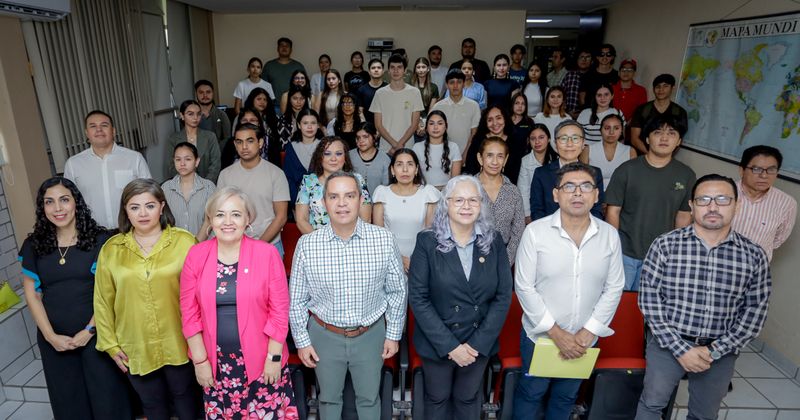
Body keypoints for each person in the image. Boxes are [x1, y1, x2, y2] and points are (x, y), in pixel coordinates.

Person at [635, 174, 771, 420]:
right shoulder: (665, 245)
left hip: (721, 350)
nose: (712, 207)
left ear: (736, 205)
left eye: (722, 199)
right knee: (651, 405)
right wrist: (680, 349)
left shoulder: (753, 255)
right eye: (704, 200)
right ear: (692, 205)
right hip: (667, 344)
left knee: (704, 415)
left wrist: (714, 351)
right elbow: (650, 301)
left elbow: (755, 311)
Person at [289, 171, 407, 420]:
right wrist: (302, 340)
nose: (342, 203)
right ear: (323, 203)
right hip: (324, 335)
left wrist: (393, 334)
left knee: (369, 400)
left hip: (370, 334)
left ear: (361, 200)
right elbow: (297, 299)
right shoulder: (308, 245)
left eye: (349, 196)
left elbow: (397, 290)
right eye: (334, 196)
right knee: (329, 401)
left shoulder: (383, 239)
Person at [513, 162, 624, 420]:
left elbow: (614, 286)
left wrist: (589, 331)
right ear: (556, 194)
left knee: (565, 398)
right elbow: (524, 286)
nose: (577, 193)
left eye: (585, 187)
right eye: (569, 187)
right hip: (539, 338)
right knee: (531, 394)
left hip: (583, 340)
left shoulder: (609, 235)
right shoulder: (535, 233)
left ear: (596, 195)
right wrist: (556, 333)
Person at [180, 186, 299, 419]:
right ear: (210, 220)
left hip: (263, 361)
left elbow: (279, 310)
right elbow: (189, 313)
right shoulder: (196, 255)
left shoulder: (266, 254)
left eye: (236, 214)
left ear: (248, 219)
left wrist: (274, 358)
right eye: (220, 214)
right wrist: (200, 361)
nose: (228, 221)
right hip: (217, 365)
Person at [20, 177, 133, 420]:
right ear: (42, 208)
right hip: (55, 341)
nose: (58, 208)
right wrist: (50, 337)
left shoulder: (101, 240)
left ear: (76, 203)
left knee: (109, 400)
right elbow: (32, 294)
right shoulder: (34, 245)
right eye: (49, 202)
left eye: (64, 200)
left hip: (98, 336)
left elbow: (110, 291)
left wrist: (90, 330)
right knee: (69, 403)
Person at [408, 175, 512, 418]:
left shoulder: (494, 241)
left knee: (467, 400)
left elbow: (503, 296)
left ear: (481, 205)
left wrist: (475, 345)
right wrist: (450, 346)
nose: (466, 206)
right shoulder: (427, 241)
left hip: (478, 343)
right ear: (446, 204)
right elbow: (419, 297)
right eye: (459, 200)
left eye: (473, 200)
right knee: (437, 399)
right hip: (438, 341)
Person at [93, 179, 198, 420]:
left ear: (162, 207)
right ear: (125, 211)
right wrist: (110, 344)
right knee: (152, 405)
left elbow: (201, 294)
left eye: (149, 206)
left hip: (180, 339)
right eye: (134, 207)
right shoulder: (112, 249)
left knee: (186, 400)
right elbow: (102, 300)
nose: (142, 213)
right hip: (135, 344)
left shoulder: (185, 242)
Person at [605, 114, 695, 291]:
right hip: (624, 253)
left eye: (671, 133)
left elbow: (683, 217)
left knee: (644, 310)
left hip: (659, 257)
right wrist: (613, 250)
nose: (664, 137)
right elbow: (612, 212)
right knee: (617, 305)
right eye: (657, 132)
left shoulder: (687, 175)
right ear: (647, 138)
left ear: (679, 141)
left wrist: (674, 254)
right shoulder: (627, 170)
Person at [64, 110, 151, 229]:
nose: (99, 129)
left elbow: (149, 194)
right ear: (87, 133)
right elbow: (68, 201)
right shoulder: (73, 164)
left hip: (130, 229)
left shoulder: (134, 158)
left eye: (104, 125)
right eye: (93, 126)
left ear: (113, 131)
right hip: (92, 233)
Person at [218, 123, 289, 253]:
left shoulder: (276, 173)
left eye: (250, 141)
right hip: (235, 246)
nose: (244, 147)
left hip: (270, 245)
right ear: (235, 145)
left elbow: (281, 217)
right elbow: (220, 214)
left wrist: (257, 246)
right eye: (239, 142)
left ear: (260, 143)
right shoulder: (225, 175)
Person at [373, 149, 441, 270]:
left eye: (410, 164)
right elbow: (379, 237)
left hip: (422, 257)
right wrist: (399, 258)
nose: (405, 170)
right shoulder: (382, 193)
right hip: (389, 258)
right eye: (399, 165)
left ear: (416, 169)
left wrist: (416, 259)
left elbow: (430, 234)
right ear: (392, 170)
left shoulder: (427, 193)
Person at [732, 145, 797, 262]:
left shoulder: (787, 203)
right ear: (741, 170)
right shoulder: (723, 192)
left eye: (771, 170)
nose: (764, 175)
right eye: (756, 169)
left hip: (753, 271)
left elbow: (777, 240)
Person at [530, 121, 604, 221]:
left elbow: (596, 210)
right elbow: (537, 211)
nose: (569, 144)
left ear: (583, 144)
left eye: (575, 138)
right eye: (563, 139)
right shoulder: (541, 173)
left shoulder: (595, 173)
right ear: (556, 144)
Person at [295, 136, 372, 233]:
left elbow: (366, 219)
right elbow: (301, 220)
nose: (333, 158)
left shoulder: (357, 180)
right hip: (318, 244)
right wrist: (320, 243)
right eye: (327, 154)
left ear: (345, 157)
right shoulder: (308, 181)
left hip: (353, 243)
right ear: (319, 157)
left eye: (339, 154)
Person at [475, 137, 525, 265]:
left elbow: (518, 230)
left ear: (506, 160)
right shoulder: (468, 188)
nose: (495, 162)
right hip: (471, 256)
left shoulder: (513, 191)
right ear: (480, 158)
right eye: (489, 155)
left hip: (505, 256)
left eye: (500, 156)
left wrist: (505, 261)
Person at [370, 53, 424, 154]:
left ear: (405, 70)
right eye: (392, 67)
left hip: (408, 148)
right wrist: (395, 145)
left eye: (399, 67)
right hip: (386, 149)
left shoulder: (414, 92)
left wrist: (400, 145)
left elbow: (414, 124)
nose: (396, 71)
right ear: (388, 71)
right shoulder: (380, 93)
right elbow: (378, 125)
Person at [162, 142, 216, 239]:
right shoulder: (166, 188)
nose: (182, 163)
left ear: (197, 161)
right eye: (178, 159)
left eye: (188, 159)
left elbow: (213, 220)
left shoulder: (209, 187)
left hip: (204, 247)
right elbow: (163, 222)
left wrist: (196, 246)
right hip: (174, 248)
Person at [163, 99, 221, 183]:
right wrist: (186, 183)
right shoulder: (173, 139)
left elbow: (215, 164)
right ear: (182, 115)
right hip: (182, 185)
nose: (195, 118)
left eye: (198, 114)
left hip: (207, 185)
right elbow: (171, 166)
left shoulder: (210, 136)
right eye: (190, 114)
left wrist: (206, 184)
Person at [629, 74, 689, 155]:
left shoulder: (679, 112)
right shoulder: (642, 110)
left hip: (666, 158)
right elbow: (634, 138)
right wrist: (652, 155)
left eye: (665, 86)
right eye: (658, 86)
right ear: (653, 89)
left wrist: (665, 156)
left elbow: (679, 139)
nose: (661, 89)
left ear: (672, 87)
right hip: (642, 156)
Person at [463, 106, 521, 184]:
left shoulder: (515, 141)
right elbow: (470, 167)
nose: (495, 123)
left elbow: (516, 171)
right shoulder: (478, 140)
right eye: (490, 120)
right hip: (479, 185)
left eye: (498, 118)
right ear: (485, 123)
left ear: (505, 119)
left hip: (507, 186)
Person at [431, 69, 481, 158]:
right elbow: (432, 133)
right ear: (446, 85)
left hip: (467, 155)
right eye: (451, 82)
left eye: (459, 82)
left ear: (464, 84)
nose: (455, 86)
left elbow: (474, 134)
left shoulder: (474, 106)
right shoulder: (438, 107)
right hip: (442, 156)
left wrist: (465, 155)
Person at [518, 124, 558, 224]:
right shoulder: (525, 161)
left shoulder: (557, 159)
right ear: (529, 141)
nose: (537, 142)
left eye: (541, 137)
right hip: (533, 207)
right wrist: (527, 214)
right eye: (533, 138)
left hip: (555, 206)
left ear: (548, 139)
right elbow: (523, 189)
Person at [413, 110, 463, 189]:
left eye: (440, 123)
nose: (435, 127)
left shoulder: (453, 147)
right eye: (431, 123)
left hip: (447, 193)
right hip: (423, 192)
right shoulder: (417, 147)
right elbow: (414, 177)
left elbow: (455, 180)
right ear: (426, 127)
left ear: (446, 126)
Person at [284, 108, 323, 204]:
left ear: (318, 125)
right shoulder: (291, 147)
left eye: (313, 123)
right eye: (305, 123)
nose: (309, 127)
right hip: (296, 199)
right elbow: (288, 178)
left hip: (322, 200)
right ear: (299, 125)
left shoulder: (325, 146)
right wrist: (296, 202)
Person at [586, 114, 635, 190]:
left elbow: (632, 181)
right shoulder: (588, 150)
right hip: (594, 195)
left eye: (616, 128)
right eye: (607, 128)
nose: (611, 132)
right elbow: (582, 179)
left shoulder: (630, 151)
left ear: (621, 130)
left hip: (621, 196)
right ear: (600, 130)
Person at [349, 122, 390, 196]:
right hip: (353, 203)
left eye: (365, 137)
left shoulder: (384, 159)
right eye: (358, 137)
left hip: (377, 203)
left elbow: (387, 187)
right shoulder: (349, 156)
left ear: (374, 137)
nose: (361, 141)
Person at [263, 37, 307, 106]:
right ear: (277, 49)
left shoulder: (298, 66)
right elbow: (263, 87)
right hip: (273, 106)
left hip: (294, 106)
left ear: (291, 50)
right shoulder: (269, 66)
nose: (284, 47)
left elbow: (305, 86)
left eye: (287, 46)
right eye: (282, 45)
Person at [579, 44, 619, 109]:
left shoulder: (617, 75)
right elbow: (582, 96)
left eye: (608, 54)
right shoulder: (588, 74)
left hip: (609, 111)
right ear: (597, 57)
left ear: (612, 57)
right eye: (601, 54)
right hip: (589, 111)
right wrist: (585, 110)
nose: (605, 57)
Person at [195, 79, 231, 146]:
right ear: (196, 94)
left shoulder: (221, 115)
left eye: (208, 92)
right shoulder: (191, 115)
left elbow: (227, 138)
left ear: (213, 93)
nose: (205, 95)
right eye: (201, 92)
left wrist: (217, 152)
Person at [612, 59, 647, 125]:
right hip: (612, 126)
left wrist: (628, 123)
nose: (626, 73)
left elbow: (641, 111)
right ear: (619, 72)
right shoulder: (611, 89)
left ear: (634, 73)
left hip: (632, 127)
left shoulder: (641, 90)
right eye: (624, 70)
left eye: (630, 70)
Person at [356, 58, 388, 125]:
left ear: (383, 71)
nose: (376, 70)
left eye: (379, 68)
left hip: (386, 126)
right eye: (373, 68)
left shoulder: (389, 89)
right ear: (369, 71)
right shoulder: (362, 90)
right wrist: (365, 128)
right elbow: (360, 112)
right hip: (368, 128)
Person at [562, 48, 592, 117]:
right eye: (581, 57)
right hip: (569, 115)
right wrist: (566, 111)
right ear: (577, 60)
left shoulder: (594, 77)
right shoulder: (569, 75)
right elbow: (561, 94)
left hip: (589, 117)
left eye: (587, 57)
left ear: (592, 61)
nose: (584, 60)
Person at [411, 57, 440, 122]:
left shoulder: (434, 87)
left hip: (427, 120)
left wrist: (425, 123)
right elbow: (407, 107)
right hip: (411, 120)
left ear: (428, 69)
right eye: (418, 67)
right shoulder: (410, 86)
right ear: (415, 69)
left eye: (423, 67)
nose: (421, 70)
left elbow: (431, 110)